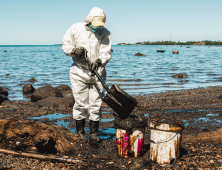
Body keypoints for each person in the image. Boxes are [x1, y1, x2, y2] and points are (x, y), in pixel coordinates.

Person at [62, 7, 112, 141]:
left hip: (98, 72)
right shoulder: (75, 29)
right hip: (79, 71)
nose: (97, 28)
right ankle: (80, 132)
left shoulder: (105, 33)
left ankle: (94, 133)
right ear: (89, 20)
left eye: (100, 25)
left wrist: (99, 61)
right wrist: (74, 51)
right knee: (80, 102)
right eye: (95, 25)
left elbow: (106, 52)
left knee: (96, 102)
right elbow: (65, 46)